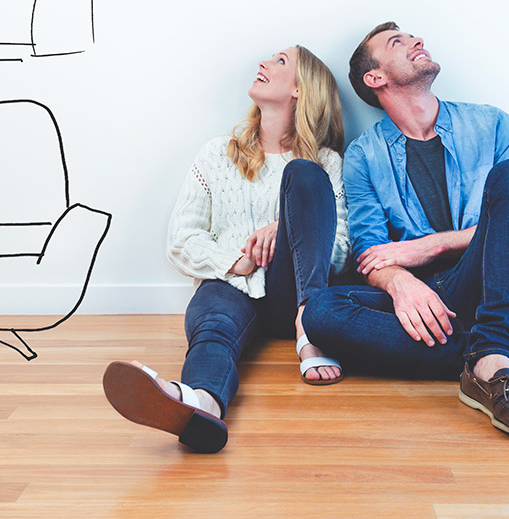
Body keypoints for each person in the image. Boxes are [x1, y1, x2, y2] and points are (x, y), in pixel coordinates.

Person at [302, 22, 509, 437]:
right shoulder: (364, 155)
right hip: (428, 303)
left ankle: (490, 362)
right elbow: (371, 250)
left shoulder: (492, 125)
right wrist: (400, 283)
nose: (417, 40)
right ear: (374, 78)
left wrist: (427, 247)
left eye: (413, 36)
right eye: (398, 41)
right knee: (321, 313)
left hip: (490, 285)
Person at [103, 45, 349, 453]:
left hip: (299, 294)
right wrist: (238, 260)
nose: (263, 64)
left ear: (300, 91)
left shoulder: (325, 163)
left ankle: (310, 333)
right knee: (212, 327)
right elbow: (181, 240)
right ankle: (199, 403)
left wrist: (286, 226)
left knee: (303, 175)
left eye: (280, 62)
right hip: (231, 284)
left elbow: (340, 249)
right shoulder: (217, 154)